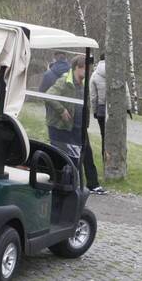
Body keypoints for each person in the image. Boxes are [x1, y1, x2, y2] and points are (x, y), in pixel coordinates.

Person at [46, 55, 106, 195]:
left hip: (79, 125)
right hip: (64, 126)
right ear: (78, 68)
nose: (89, 72)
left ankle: (93, 184)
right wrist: (61, 110)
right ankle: (68, 184)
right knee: (68, 156)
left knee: (87, 154)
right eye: (87, 69)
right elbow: (49, 95)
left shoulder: (83, 83)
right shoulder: (64, 81)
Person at [88, 56, 133, 143]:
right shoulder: (118, 73)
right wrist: (128, 107)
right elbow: (126, 92)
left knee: (104, 136)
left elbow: (93, 96)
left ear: (100, 60)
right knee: (116, 136)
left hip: (101, 110)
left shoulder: (94, 75)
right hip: (116, 108)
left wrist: (94, 111)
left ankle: (104, 155)